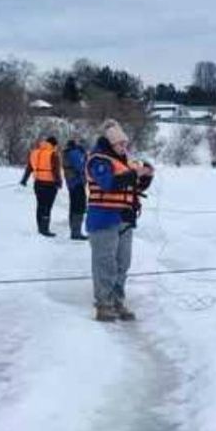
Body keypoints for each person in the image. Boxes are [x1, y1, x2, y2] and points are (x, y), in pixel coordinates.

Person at [86, 120, 154, 322]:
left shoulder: (125, 161)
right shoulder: (97, 160)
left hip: (124, 218)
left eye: (125, 144)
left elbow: (134, 187)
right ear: (110, 143)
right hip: (103, 218)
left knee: (122, 263)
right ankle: (103, 304)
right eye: (120, 144)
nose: (124, 147)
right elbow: (109, 184)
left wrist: (145, 176)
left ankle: (117, 300)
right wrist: (134, 173)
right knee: (105, 263)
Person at [20, 135, 63, 237]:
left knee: (40, 206)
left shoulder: (35, 153)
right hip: (50, 184)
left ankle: (40, 227)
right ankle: (45, 229)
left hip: (38, 183)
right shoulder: (53, 154)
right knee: (47, 207)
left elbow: (29, 168)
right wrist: (59, 182)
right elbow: (55, 170)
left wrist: (24, 180)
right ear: (53, 144)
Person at [61, 138, 89, 241]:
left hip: (71, 183)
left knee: (73, 206)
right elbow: (80, 166)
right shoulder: (75, 152)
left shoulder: (66, 153)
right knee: (79, 206)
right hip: (77, 182)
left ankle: (74, 230)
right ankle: (76, 232)